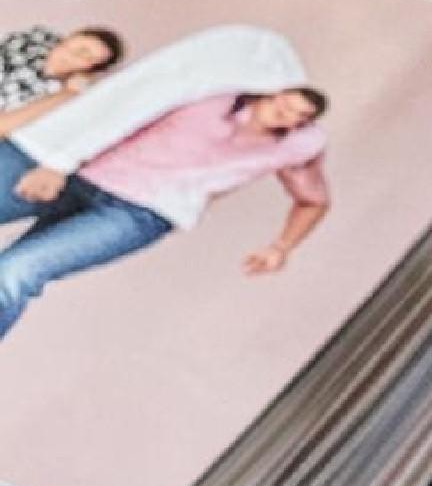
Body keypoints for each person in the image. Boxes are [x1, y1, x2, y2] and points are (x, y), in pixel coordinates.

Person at [0, 87, 330, 342]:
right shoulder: (211, 100)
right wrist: (58, 162)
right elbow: (126, 111)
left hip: (137, 214)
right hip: (82, 178)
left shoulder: (293, 148)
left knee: (16, 271)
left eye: (297, 115)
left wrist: (282, 246)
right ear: (267, 93)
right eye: (282, 103)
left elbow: (313, 200)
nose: (284, 113)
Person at [0, 24, 124, 116]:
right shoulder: (34, 41)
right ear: (71, 38)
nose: (78, 56)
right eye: (82, 48)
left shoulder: (58, 92)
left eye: (89, 58)